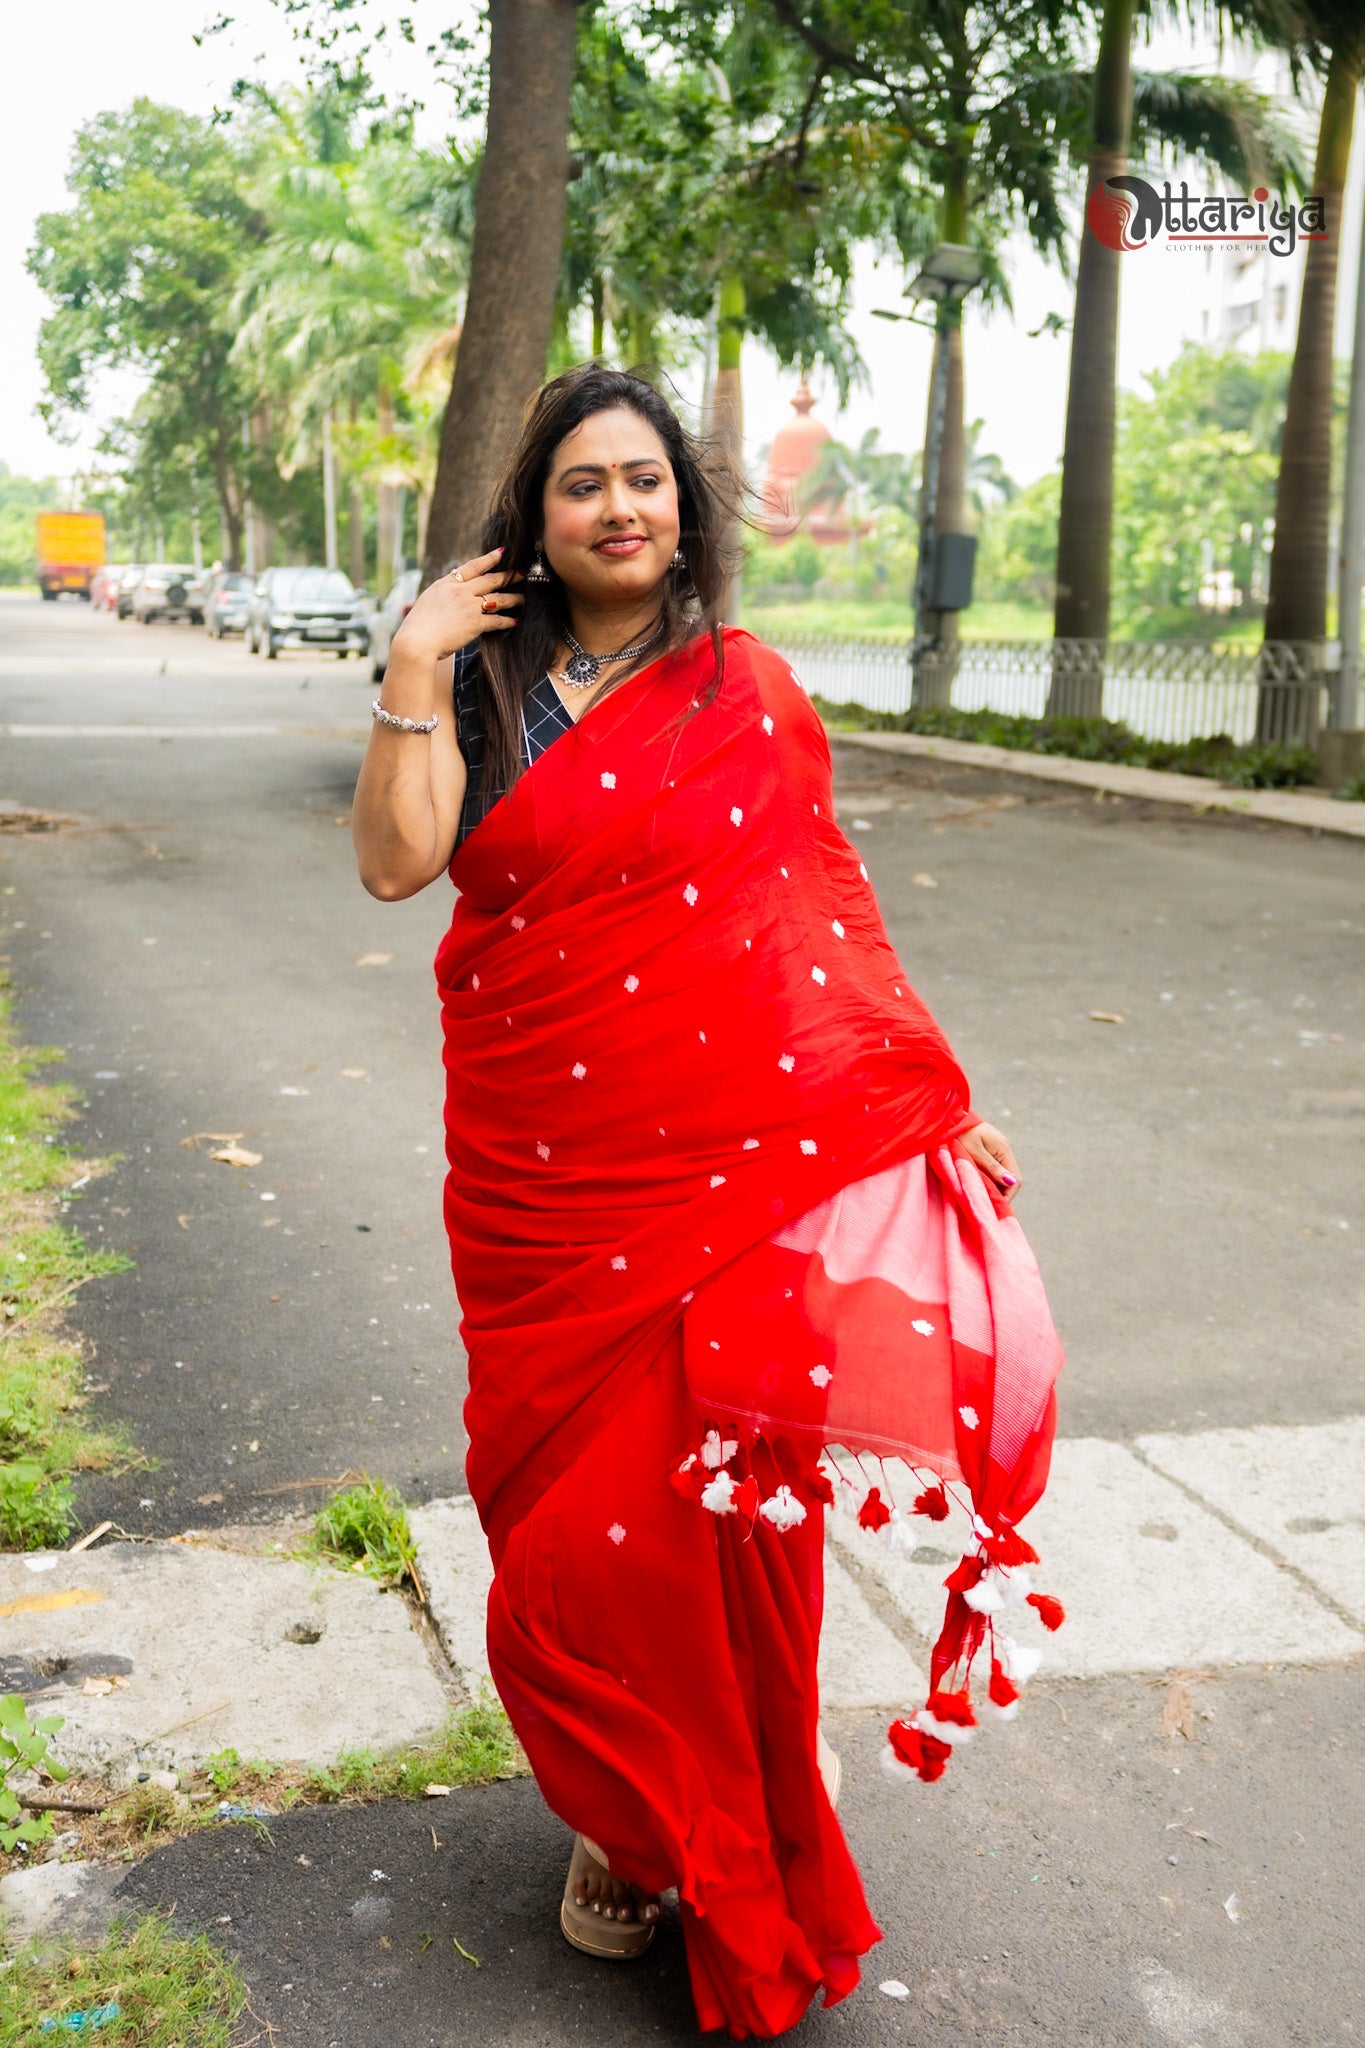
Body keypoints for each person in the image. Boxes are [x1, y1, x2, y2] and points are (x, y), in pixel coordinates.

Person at [351, 364, 1063, 2039]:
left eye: (647, 481)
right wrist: (409, 660)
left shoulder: (745, 690)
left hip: (724, 1175)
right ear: (533, 516)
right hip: (543, 1176)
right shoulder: (480, 684)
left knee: (705, 1507)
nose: (620, 508)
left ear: (686, 511)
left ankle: (713, 1802)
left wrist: (922, 1097)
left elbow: (817, 917)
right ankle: (624, 1806)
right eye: (583, 483)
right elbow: (395, 866)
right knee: (564, 1538)